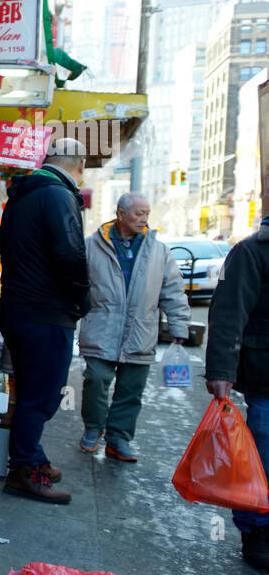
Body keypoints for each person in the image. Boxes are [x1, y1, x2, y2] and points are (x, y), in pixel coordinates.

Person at [0, 138, 91, 504]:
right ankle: (24, 470)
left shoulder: (22, 195)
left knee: (30, 391)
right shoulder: (58, 195)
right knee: (42, 396)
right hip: (45, 313)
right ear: (78, 166)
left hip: (18, 309)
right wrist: (82, 299)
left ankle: (32, 457)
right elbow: (70, 253)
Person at [78, 192, 190, 461]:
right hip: (101, 328)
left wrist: (179, 326)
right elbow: (74, 285)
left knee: (131, 390)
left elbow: (173, 290)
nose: (144, 219)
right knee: (96, 380)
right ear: (120, 214)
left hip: (141, 332)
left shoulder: (159, 251)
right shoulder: (91, 246)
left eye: (147, 214)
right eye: (139, 213)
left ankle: (118, 438)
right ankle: (94, 428)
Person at [205, 215, 269, 570]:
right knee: (261, 460)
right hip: (264, 377)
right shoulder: (251, 251)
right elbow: (229, 311)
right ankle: (257, 530)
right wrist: (220, 370)